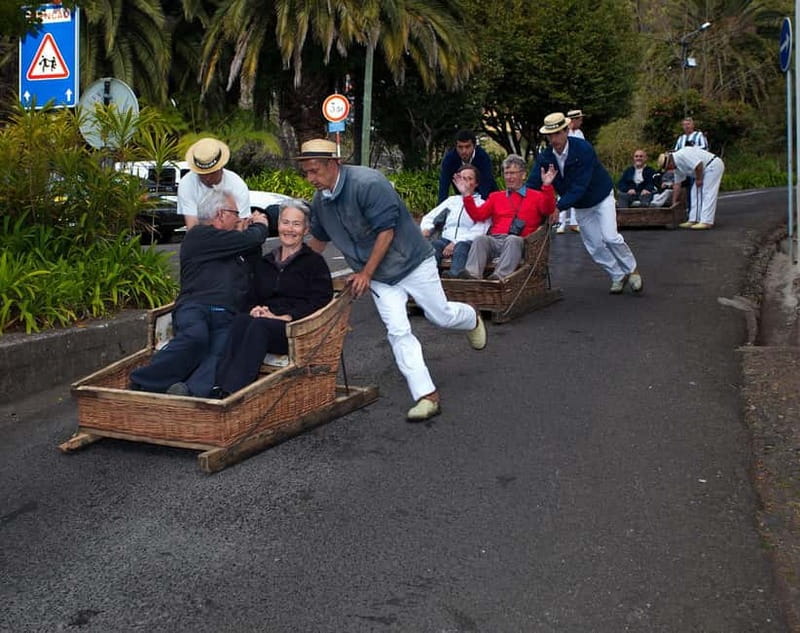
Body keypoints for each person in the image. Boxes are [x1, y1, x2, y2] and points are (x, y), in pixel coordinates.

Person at [297, 138, 486, 422]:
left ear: (334, 163)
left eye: (315, 171)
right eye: (307, 172)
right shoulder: (320, 202)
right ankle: (426, 395)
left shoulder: (368, 183)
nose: (310, 178)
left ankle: (471, 317)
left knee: (441, 316)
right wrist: (289, 265)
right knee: (398, 331)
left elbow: (387, 232)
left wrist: (365, 274)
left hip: (413, 263)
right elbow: (319, 241)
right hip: (382, 279)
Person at [129, 190, 268, 396]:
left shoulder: (234, 244)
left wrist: (244, 234)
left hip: (227, 313)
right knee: (196, 337)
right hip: (195, 306)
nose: (239, 218)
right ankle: (144, 381)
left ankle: (189, 392)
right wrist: (260, 224)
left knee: (221, 351)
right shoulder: (199, 235)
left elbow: (253, 261)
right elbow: (254, 237)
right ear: (220, 214)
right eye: (235, 213)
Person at [214, 201, 334, 396]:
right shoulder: (266, 262)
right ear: (278, 225)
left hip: (295, 329)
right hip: (264, 323)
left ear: (306, 229)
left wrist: (286, 317)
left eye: (296, 224)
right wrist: (255, 309)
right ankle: (217, 386)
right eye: (285, 222)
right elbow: (250, 296)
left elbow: (320, 301)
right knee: (242, 320)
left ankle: (234, 393)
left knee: (259, 326)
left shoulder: (314, 262)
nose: (290, 229)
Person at [528, 112, 643, 294]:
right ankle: (617, 274)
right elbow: (533, 184)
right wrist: (520, 199)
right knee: (595, 246)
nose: (554, 139)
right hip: (581, 205)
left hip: (601, 196)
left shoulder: (583, 149)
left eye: (558, 133)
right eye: (550, 135)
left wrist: (558, 207)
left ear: (566, 131)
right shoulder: (545, 156)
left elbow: (580, 186)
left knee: (610, 237)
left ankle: (632, 269)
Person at [455, 154, 556, 280]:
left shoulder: (536, 196)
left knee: (513, 240)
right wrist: (466, 195)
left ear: (523, 175)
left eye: (513, 173)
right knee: (480, 239)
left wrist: (547, 186)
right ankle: (472, 276)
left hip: (522, 242)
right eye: (506, 173)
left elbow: (548, 209)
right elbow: (478, 215)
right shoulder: (495, 197)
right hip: (496, 239)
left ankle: (499, 278)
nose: (509, 177)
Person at [419, 165, 490, 278]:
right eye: (462, 178)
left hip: (466, 241)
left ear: (476, 183)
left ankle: (454, 277)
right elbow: (429, 217)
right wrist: (426, 228)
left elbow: (480, 229)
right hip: (446, 238)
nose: (465, 182)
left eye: (469, 179)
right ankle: (428, 278)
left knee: (461, 247)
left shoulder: (481, 203)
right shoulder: (452, 201)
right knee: (434, 246)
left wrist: (456, 242)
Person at [178, 137, 251, 230]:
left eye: (212, 173)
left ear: (220, 167)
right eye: (202, 174)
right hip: (202, 236)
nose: (207, 178)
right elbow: (192, 226)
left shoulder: (237, 185)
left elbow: (240, 225)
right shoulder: (187, 183)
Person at [658, 148, 725, 230]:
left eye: (668, 168)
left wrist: (699, 179)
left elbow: (698, 165)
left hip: (712, 165)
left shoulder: (682, 155)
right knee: (694, 192)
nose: (669, 170)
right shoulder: (676, 167)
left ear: (669, 162)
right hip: (703, 170)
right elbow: (677, 184)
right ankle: (694, 219)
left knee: (707, 192)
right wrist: (674, 202)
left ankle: (707, 221)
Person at [437, 130, 499, 203]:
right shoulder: (449, 160)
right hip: (463, 196)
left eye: (467, 147)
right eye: (460, 147)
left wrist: (481, 206)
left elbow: (487, 182)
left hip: (488, 196)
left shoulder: (483, 157)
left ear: (474, 146)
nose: (464, 151)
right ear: (456, 147)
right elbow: (444, 186)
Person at [555, 108, 586, 234]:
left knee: (575, 194)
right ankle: (561, 223)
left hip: (576, 168)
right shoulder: (564, 132)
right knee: (562, 195)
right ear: (575, 120)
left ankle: (574, 222)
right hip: (563, 167)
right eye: (580, 119)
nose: (581, 122)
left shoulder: (579, 133)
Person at [673, 118, 709, 218]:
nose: (687, 126)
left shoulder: (699, 135)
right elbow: (676, 151)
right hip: (685, 167)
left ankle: (700, 212)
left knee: (697, 189)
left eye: (688, 124)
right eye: (684, 125)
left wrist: (690, 150)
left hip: (697, 166)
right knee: (687, 189)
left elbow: (704, 148)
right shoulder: (681, 138)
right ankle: (689, 211)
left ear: (693, 125)